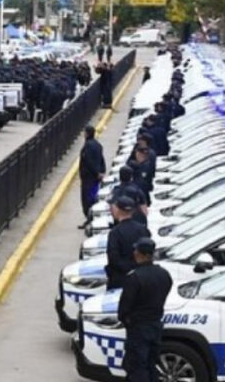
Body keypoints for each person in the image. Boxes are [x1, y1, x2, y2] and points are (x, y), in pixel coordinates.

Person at [118, 237, 173, 382]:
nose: (134, 252)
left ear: (140, 254)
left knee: (137, 367)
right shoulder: (164, 274)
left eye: (136, 250)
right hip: (155, 326)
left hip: (138, 328)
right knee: (151, 365)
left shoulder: (135, 278)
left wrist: (127, 321)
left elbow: (124, 308)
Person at [105, 195, 151, 290]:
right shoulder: (142, 229)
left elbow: (113, 258)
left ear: (117, 210)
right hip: (142, 278)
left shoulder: (115, 233)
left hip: (120, 280)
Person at [78, 125, 106, 228]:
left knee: (87, 199)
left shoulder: (88, 146)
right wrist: (102, 171)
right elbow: (101, 159)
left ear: (87, 133)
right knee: (93, 197)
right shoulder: (98, 145)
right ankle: (91, 219)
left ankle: (89, 219)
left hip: (89, 178)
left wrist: (96, 172)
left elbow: (89, 162)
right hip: (95, 179)